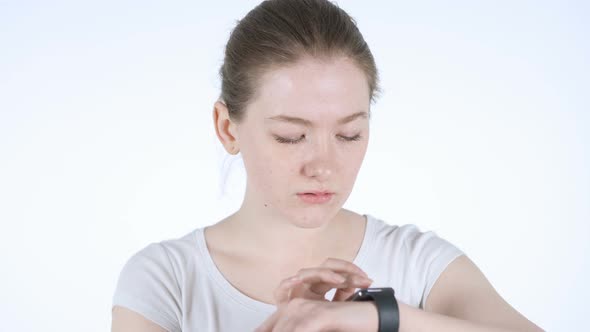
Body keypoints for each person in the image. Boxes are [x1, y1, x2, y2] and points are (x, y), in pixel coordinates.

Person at [111, 0, 544, 331]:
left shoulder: (421, 265)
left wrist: (381, 318)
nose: (324, 166)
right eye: (291, 136)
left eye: (349, 134)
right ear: (228, 128)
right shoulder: (165, 279)